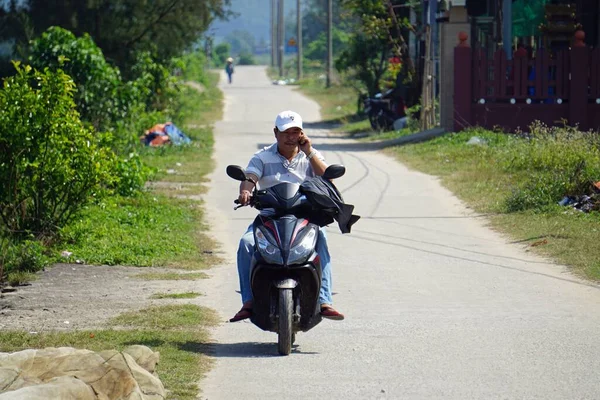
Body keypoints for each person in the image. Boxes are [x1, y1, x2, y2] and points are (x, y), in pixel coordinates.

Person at [230, 110, 345, 322]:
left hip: (305, 217)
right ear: (276, 133)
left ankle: (324, 300)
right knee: (246, 243)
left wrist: (309, 152)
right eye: (286, 133)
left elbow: (327, 179)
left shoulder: (310, 155)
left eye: (296, 132)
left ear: (302, 134)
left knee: (322, 239)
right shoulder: (262, 157)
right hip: (269, 217)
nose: (291, 137)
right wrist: (245, 191)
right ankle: (248, 302)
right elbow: (250, 177)